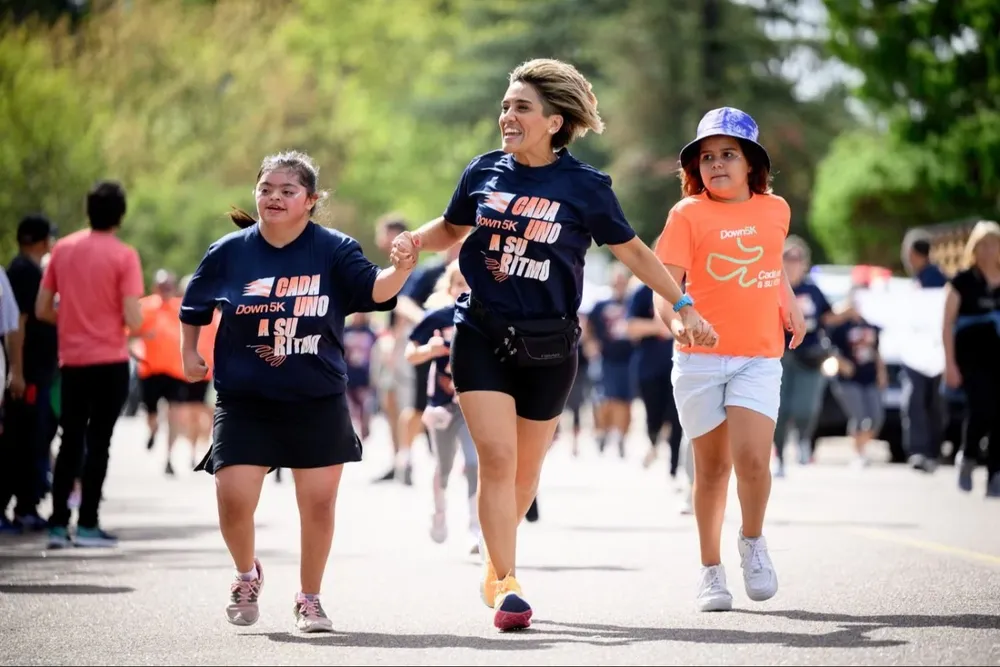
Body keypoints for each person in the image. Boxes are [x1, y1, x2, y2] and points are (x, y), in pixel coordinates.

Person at [391, 58, 716, 631]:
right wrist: (415, 241)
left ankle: (494, 564)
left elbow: (634, 252)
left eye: (521, 107)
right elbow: (452, 226)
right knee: (497, 459)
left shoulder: (585, 186)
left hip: (549, 345)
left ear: (555, 121)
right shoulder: (484, 171)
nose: (507, 116)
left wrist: (683, 304)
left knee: (525, 473)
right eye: (505, 106)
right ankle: (508, 583)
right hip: (480, 332)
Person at [179, 150, 416, 633]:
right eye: (266, 189)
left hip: (316, 398)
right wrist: (188, 352)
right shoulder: (229, 252)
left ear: (310, 200)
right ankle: (246, 575)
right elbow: (194, 306)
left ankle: (309, 598)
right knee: (233, 497)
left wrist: (403, 268)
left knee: (319, 505)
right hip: (245, 399)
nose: (274, 198)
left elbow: (376, 290)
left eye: (287, 191)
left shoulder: (334, 249)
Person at [652, 107, 806, 612]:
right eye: (707, 157)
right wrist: (677, 322)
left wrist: (789, 300)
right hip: (698, 360)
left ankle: (753, 541)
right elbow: (664, 285)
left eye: (728, 154)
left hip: (757, 355)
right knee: (713, 470)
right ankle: (710, 570)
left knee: (754, 461)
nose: (716, 164)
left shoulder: (776, 209)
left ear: (751, 163)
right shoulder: (687, 214)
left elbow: (770, 264)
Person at [37, 181, 145, 549]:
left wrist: (71, 320)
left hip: (72, 361)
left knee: (69, 440)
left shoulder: (63, 249)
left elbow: (41, 308)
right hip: (110, 360)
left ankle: (57, 525)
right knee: (99, 442)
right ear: (120, 215)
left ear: (88, 210)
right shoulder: (124, 255)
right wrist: (127, 323)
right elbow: (134, 316)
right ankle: (87, 525)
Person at [404, 261, 480, 553]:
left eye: (471, 282)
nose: (465, 288)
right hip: (441, 403)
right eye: (459, 283)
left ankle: (475, 528)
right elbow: (411, 352)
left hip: (472, 405)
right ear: (449, 289)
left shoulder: (486, 319)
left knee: (473, 464)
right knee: (444, 466)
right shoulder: (437, 317)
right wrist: (429, 350)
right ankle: (438, 512)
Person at [0, 214, 58, 533]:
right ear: (42, 241)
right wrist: (18, 372)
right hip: (29, 374)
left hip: (38, 372)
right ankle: (19, 507)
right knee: (22, 441)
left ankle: (26, 505)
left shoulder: (27, 270)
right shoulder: (23, 272)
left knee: (34, 438)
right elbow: (17, 324)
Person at [942, 220, 1000, 497]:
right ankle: (968, 456)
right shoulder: (962, 282)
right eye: (983, 245)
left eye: (994, 244)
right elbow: (947, 324)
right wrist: (950, 364)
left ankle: (996, 473)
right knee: (982, 408)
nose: (989, 250)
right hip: (972, 359)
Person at [828, 287, 888, 467]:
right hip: (848, 380)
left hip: (869, 376)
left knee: (876, 418)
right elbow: (828, 347)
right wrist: (841, 362)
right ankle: (859, 453)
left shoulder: (870, 325)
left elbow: (876, 351)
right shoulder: (840, 326)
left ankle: (862, 446)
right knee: (859, 417)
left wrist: (882, 373)